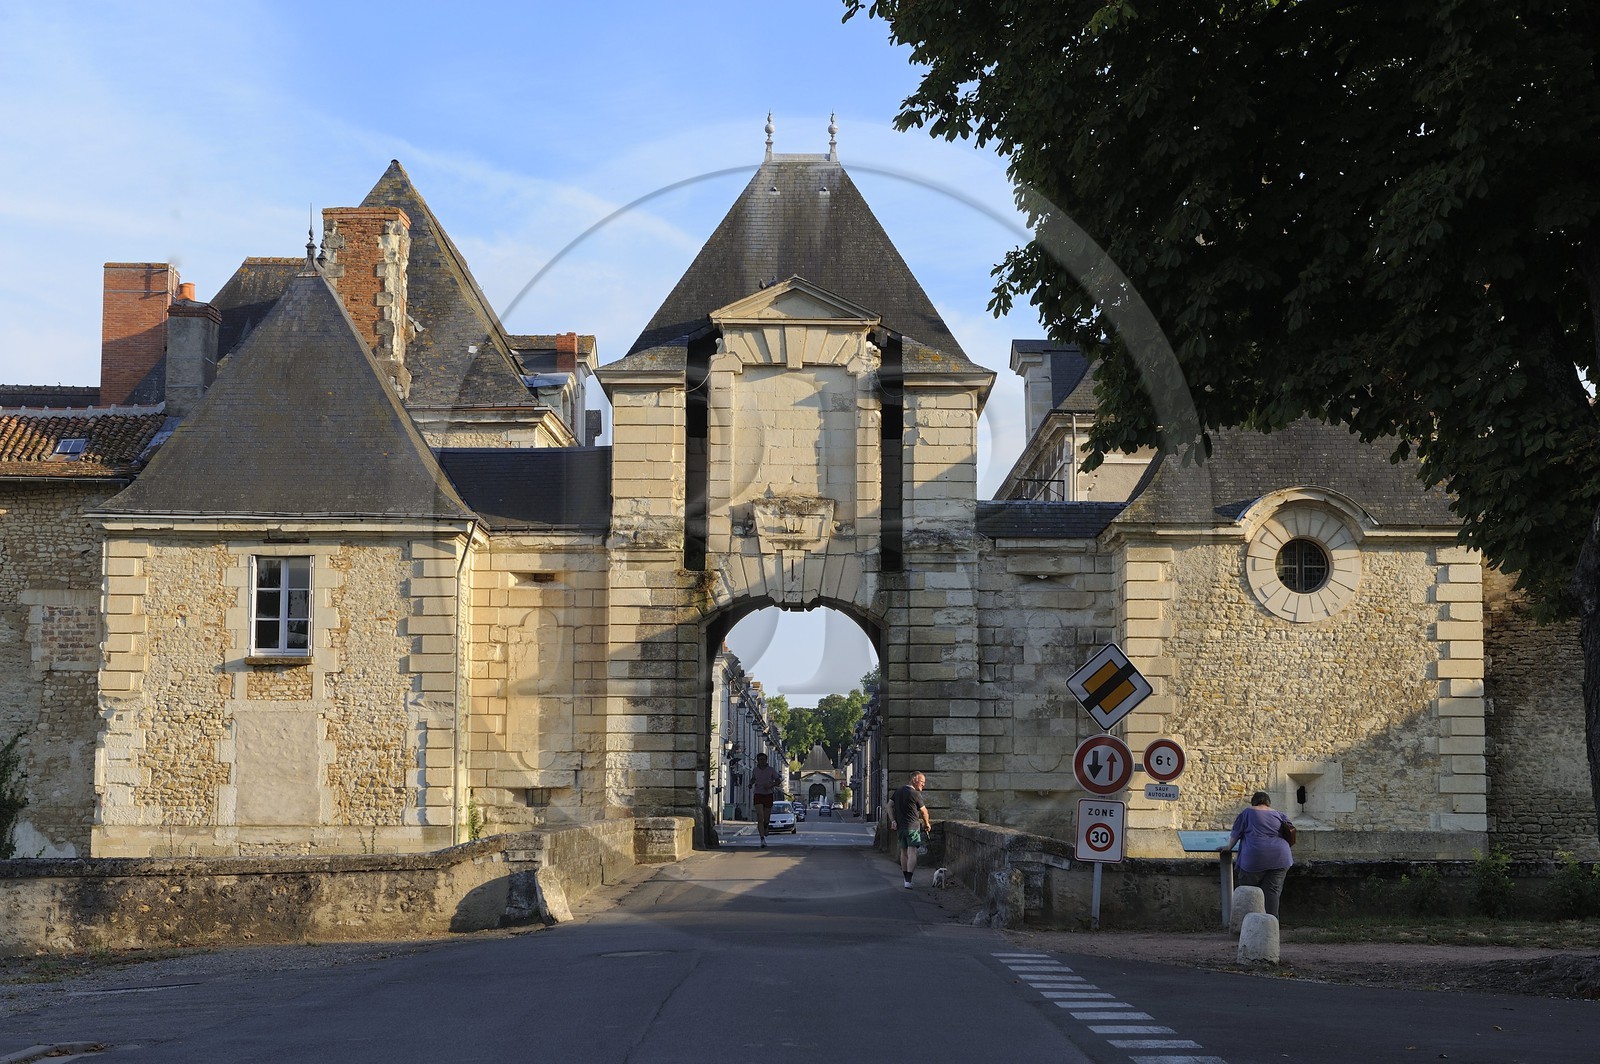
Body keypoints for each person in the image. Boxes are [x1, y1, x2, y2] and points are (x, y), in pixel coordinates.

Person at [1219, 790, 1294, 917]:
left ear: (1253, 802)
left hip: (1255, 858)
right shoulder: (1279, 814)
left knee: (1249, 892)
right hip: (1281, 857)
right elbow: (1290, 830)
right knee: (1272, 893)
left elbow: (1236, 833)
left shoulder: (1247, 812)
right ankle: (1271, 927)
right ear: (1268, 803)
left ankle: (1248, 924)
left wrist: (1228, 847)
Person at [887, 771, 931, 888]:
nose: (923, 785)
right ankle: (909, 880)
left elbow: (889, 806)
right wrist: (927, 824)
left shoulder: (898, 792)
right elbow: (924, 811)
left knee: (903, 853)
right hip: (912, 827)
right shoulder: (915, 794)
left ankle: (905, 879)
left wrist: (893, 820)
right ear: (914, 780)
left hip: (900, 827)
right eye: (922, 782)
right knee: (912, 852)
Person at [749, 752, 782, 848]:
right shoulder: (755, 770)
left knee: (766, 817)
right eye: (760, 759)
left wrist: (771, 785)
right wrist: (751, 784)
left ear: (766, 760)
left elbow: (778, 781)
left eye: (763, 759)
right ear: (757, 761)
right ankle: (762, 839)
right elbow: (753, 779)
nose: (762, 761)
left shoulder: (771, 770)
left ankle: (766, 826)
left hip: (768, 794)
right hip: (758, 794)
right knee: (760, 816)